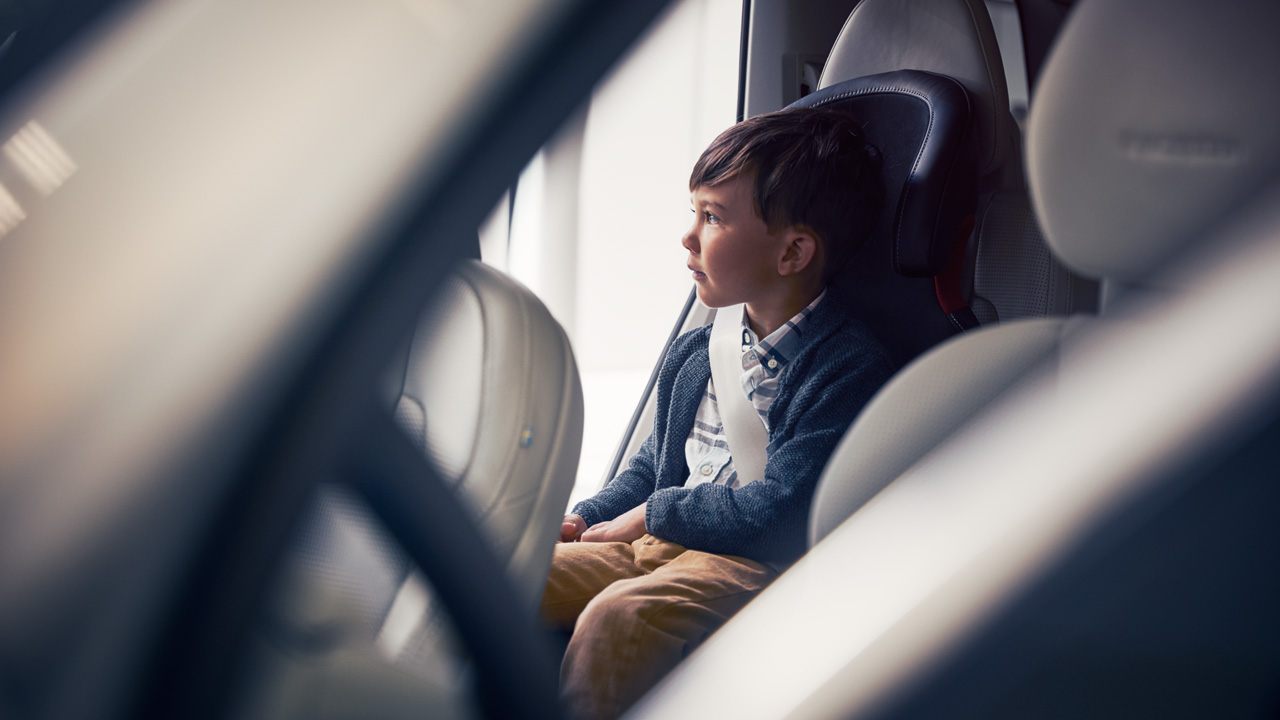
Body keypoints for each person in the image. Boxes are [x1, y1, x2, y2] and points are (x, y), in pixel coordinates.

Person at [541, 105, 895, 720]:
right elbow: (654, 468)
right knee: (517, 572)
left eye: (712, 217)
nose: (688, 236)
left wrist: (655, 512)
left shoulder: (845, 367)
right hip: (662, 544)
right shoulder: (698, 351)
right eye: (694, 212)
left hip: (756, 565)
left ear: (792, 253)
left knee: (617, 617)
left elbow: (782, 513)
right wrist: (584, 517)